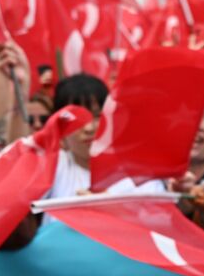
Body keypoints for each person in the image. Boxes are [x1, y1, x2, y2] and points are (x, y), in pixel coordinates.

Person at [43, 73, 164, 202]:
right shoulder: (51, 167)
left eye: (96, 115)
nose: (89, 128)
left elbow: (157, 218)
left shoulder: (141, 174)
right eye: (77, 119)